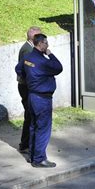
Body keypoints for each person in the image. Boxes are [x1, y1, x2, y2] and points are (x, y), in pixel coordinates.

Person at [15, 33, 63, 168]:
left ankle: (32, 155)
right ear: (40, 44)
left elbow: (18, 69)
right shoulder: (44, 61)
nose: (47, 46)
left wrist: (30, 78)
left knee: (33, 126)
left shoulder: (27, 58)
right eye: (46, 43)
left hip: (32, 96)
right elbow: (58, 67)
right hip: (43, 99)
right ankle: (39, 159)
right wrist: (50, 54)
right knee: (43, 129)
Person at [16, 26, 41, 154]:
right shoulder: (27, 50)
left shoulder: (30, 48)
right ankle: (25, 144)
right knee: (30, 115)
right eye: (40, 37)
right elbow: (27, 69)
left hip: (27, 86)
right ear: (34, 38)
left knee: (30, 115)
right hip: (26, 87)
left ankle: (25, 143)